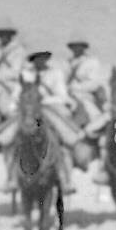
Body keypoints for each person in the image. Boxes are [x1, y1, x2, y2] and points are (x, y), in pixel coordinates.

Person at [19, 48, 79, 195]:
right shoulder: (26, 74)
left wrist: (43, 101)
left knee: (64, 138)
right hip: (28, 110)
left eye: (43, 57)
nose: (40, 60)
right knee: (8, 137)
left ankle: (66, 179)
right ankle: (11, 176)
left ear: (47, 58)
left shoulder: (55, 74)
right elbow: (17, 92)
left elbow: (62, 95)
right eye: (37, 57)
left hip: (49, 107)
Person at [65, 35, 106, 136]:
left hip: (84, 95)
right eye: (74, 46)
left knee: (93, 115)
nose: (76, 49)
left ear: (84, 47)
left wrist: (75, 88)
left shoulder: (92, 62)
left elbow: (94, 84)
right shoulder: (66, 62)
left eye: (79, 46)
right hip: (66, 95)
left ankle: (91, 135)